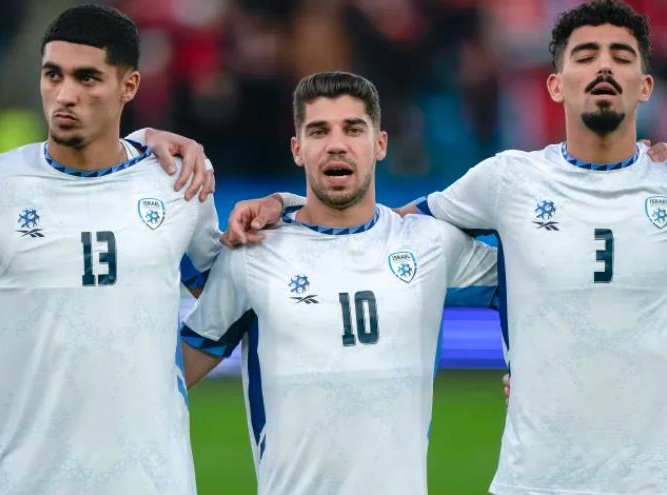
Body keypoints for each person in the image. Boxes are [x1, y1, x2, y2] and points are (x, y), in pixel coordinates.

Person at [224, 1, 667, 493]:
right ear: (555, 85)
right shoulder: (508, 179)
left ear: (646, 86)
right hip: (534, 482)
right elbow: (380, 229)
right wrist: (285, 204)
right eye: (585, 55)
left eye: (621, 56)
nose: (604, 66)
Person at [180, 71, 498, 495]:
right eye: (318, 131)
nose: (336, 144)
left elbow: (537, 280)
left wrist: (533, 373)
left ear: (380, 144)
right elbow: (169, 375)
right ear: (297, 149)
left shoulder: (431, 244)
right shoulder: (253, 254)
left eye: (353, 129)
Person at [0, 5, 220, 494]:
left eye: (87, 78)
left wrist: (167, 375)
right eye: (52, 75)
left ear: (129, 86)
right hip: (27, 480)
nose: (64, 95)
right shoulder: (2, 187)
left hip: (152, 481)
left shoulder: (177, 184)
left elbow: (235, 297)